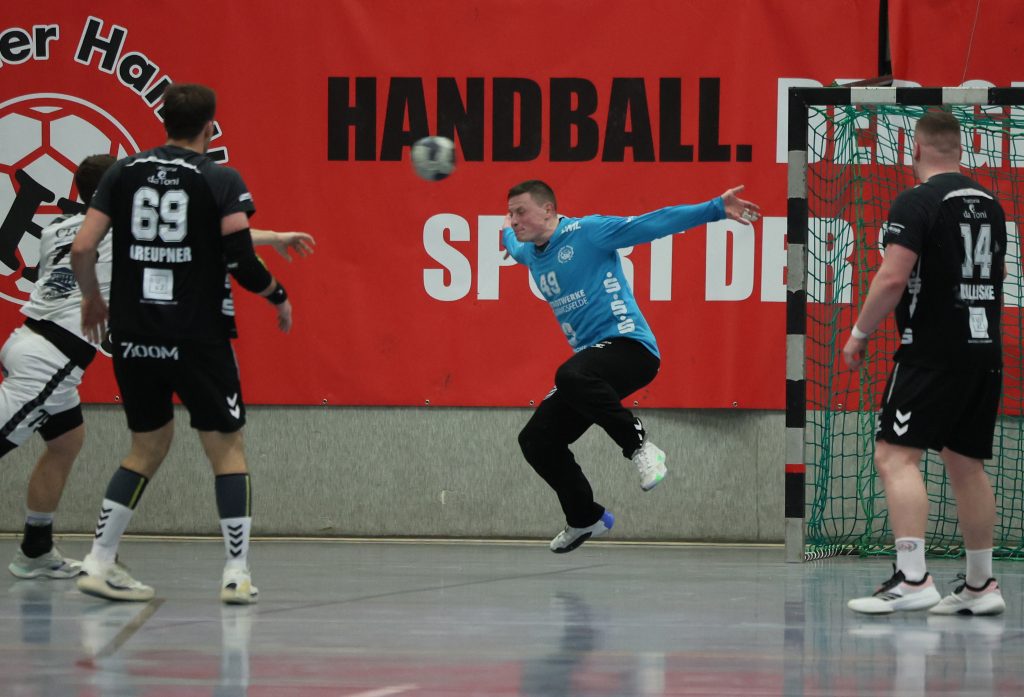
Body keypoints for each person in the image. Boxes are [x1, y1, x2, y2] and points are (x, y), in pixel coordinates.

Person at [2, 155, 314, 582]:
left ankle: (35, 549)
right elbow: (213, 233)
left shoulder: (57, 229)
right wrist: (275, 237)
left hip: (29, 340)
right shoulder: (122, 228)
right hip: (50, 362)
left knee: (66, 441)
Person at [70, 83, 299, 604]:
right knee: (226, 449)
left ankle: (98, 560)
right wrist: (278, 295)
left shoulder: (123, 173)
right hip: (198, 335)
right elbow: (238, 259)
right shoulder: (219, 178)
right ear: (209, 126)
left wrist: (92, 299)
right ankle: (235, 573)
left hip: (134, 334)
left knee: (146, 446)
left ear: (164, 121)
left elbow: (83, 247)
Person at [502, 180, 760, 552]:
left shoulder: (588, 232)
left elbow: (652, 223)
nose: (514, 220)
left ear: (548, 210)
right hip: (590, 368)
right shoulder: (529, 251)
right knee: (536, 440)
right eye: (510, 213)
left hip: (631, 349)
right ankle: (585, 517)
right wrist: (507, 235)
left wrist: (715, 208)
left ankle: (639, 447)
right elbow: (513, 246)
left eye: (520, 212)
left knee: (571, 374)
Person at [843, 109, 1007, 616]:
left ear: (914, 150)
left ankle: (913, 577)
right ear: (961, 149)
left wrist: (859, 333)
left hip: (931, 351)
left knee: (895, 457)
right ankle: (981, 586)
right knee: (966, 464)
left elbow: (893, 278)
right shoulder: (991, 203)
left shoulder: (916, 200)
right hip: (984, 352)